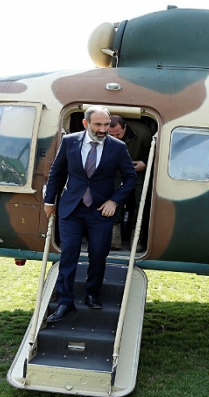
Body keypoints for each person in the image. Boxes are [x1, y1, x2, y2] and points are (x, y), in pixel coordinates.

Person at [43, 106, 136, 322]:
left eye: (106, 124)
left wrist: (114, 200)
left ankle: (93, 293)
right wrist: (49, 200)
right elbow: (57, 172)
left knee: (98, 254)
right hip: (71, 209)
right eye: (98, 124)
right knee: (69, 254)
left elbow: (130, 178)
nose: (103, 129)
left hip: (100, 211)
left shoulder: (118, 147)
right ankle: (65, 302)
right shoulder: (70, 142)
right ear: (86, 124)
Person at [108, 115, 152, 250]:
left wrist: (145, 162)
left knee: (140, 204)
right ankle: (114, 237)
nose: (115, 138)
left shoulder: (143, 133)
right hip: (115, 172)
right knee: (114, 202)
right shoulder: (101, 132)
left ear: (125, 128)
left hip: (138, 171)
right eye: (111, 135)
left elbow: (156, 151)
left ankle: (137, 237)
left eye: (118, 134)